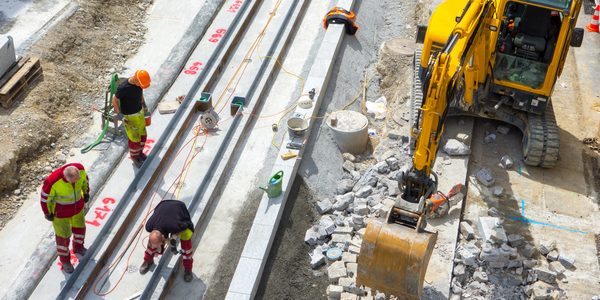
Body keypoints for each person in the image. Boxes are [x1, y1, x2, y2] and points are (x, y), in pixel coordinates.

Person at [40, 163, 90, 273]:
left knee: (80, 229)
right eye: (74, 181)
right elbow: (45, 199)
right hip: (61, 215)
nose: (77, 181)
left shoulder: (80, 170)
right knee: (63, 238)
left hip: (77, 209)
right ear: (66, 178)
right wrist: (47, 212)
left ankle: (78, 247)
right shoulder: (53, 182)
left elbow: (85, 181)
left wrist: (86, 193)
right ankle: (65, 261)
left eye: (78, 178)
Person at [140, 200, 195, 282]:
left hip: (179, 208)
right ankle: (148, 260)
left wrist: (175, 235)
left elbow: (187, 225)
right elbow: (155, 238)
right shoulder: (149, 226)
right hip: (163, 205)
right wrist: (157, 244)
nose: (157, 250)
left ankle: (188, 269)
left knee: (186, 243)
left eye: (158, 247)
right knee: (152, 243)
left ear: (163, 238)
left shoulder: (176, 225)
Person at [112, 70, 151, 168]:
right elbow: (114, 100)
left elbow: (141, 95)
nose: (141, 87)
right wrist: (120, 115)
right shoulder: (124, 88)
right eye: (141, 85)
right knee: (134, 140)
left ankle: (140, 154)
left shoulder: (139, 85)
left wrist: (145, 107)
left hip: (139, 113)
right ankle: (135, 157)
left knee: (143, 136)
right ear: (136, 79)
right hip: (130, 117)